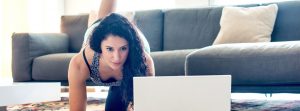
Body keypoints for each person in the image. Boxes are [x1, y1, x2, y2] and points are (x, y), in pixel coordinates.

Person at [68, 0, 155, 111]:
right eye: (109, 49)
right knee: (104, 17)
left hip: (135, 46)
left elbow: (147, 105)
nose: (117, 58)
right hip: (97, 29)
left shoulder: (143, 61)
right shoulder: (81, 62)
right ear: (100, 48)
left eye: (123, 48)